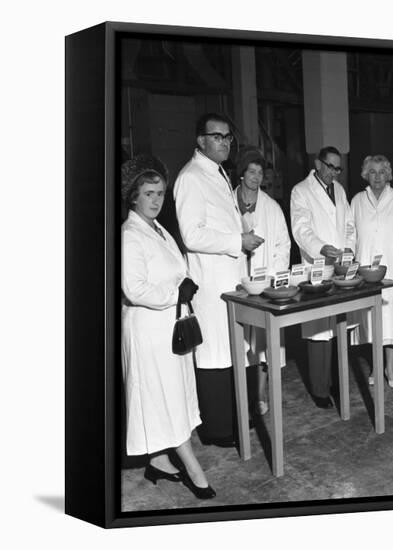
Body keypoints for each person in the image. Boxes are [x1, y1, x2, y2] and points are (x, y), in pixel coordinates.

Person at [121, 155, 215, 499]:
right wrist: (177, 290)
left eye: (161, 193)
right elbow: (134, 288)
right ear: (134, 196)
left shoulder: (158, 229)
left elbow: (174, 268)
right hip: (147, 330)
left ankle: (159, 459)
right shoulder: (129, 235)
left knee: (171, 394)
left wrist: (185, 280)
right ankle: (192, 466)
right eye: (149, 193)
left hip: (169, 327)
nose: (157, 200)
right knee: (162, 395)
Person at [173, 113, 264, 448]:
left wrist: (242, 234)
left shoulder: (218, 173)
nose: (224, 142)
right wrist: (235, 242)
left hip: (230, 277)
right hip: (211, 284)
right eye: (217, 136)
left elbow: (220, 222)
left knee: (233, 352)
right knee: (214, 356)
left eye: (228, 137)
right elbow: (192, 235)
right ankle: (217, 430)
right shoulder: (190, 177)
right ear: (201, 140)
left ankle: (235, 419)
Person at [290, 146, 355, 408]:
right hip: (316, 265)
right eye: (329, 166)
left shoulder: (339, 190)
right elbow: (300, 227)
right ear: (318, 163)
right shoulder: (301, 191)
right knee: (319, 331)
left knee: (339, 326)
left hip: (340, 266)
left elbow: (349, 223)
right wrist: (320, 247)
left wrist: (349, 247)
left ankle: (338, 384)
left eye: (338, 168)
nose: (333, 172)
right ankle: (319, 390)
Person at [350, 155, 393, 389]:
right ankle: (375, 366)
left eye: (382, 172)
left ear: (388, 175)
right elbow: (350, 237)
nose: (377, 177)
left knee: (391, 321)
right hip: (365, 271)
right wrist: (349, 268)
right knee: (371, 320)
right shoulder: (358, 201)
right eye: (372, 172)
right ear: (366, 175)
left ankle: (390, 367)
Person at [234, 146, 291, 415]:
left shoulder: (272, 207)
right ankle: (240, 397)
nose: (256, 177)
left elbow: (283, 244)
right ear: (242, 174)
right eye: (251, 171)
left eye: (260, 172)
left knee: (263, 345)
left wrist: (273, 277)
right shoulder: (227, 202)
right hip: (235, 284)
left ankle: (259, 396)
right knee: (239, 343)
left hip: (265, 284)